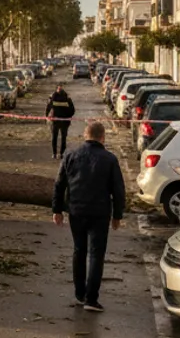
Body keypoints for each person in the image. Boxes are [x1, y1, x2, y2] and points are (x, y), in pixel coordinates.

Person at [52, 121, 125, 313]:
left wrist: (57, 210)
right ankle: (91, 299)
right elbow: (118, 190)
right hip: (100, 213)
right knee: (96, 254)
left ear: (86, 135)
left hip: (76, 211)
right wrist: (117, 215)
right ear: (103, 137)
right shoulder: (110, 159)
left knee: (79, 250)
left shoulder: (70, 156)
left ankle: (79, 293)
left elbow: (59, 184)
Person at [47, 84, 77, 159]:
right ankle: (62, 154)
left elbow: (48, 109)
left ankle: (54, 154)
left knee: (54, 137)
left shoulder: (52, 98)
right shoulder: (67, 99)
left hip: (55, 121)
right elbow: (72, 110)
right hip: (65, 122)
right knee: (63, 138)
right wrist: (68, 117)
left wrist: (48, 117)